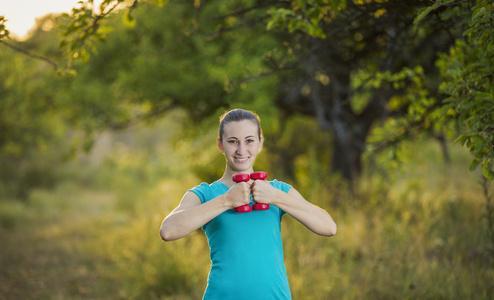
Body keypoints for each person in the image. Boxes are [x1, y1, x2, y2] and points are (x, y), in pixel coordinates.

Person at [160, 109, 337, 299]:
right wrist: (226, 200)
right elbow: (168, 231)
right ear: (221, 145)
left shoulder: (278, 190)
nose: (241, 150)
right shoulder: (205, 193)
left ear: (260, 143)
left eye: (249, 141)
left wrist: (276, 197)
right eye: (233, 141)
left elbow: (329, 227)